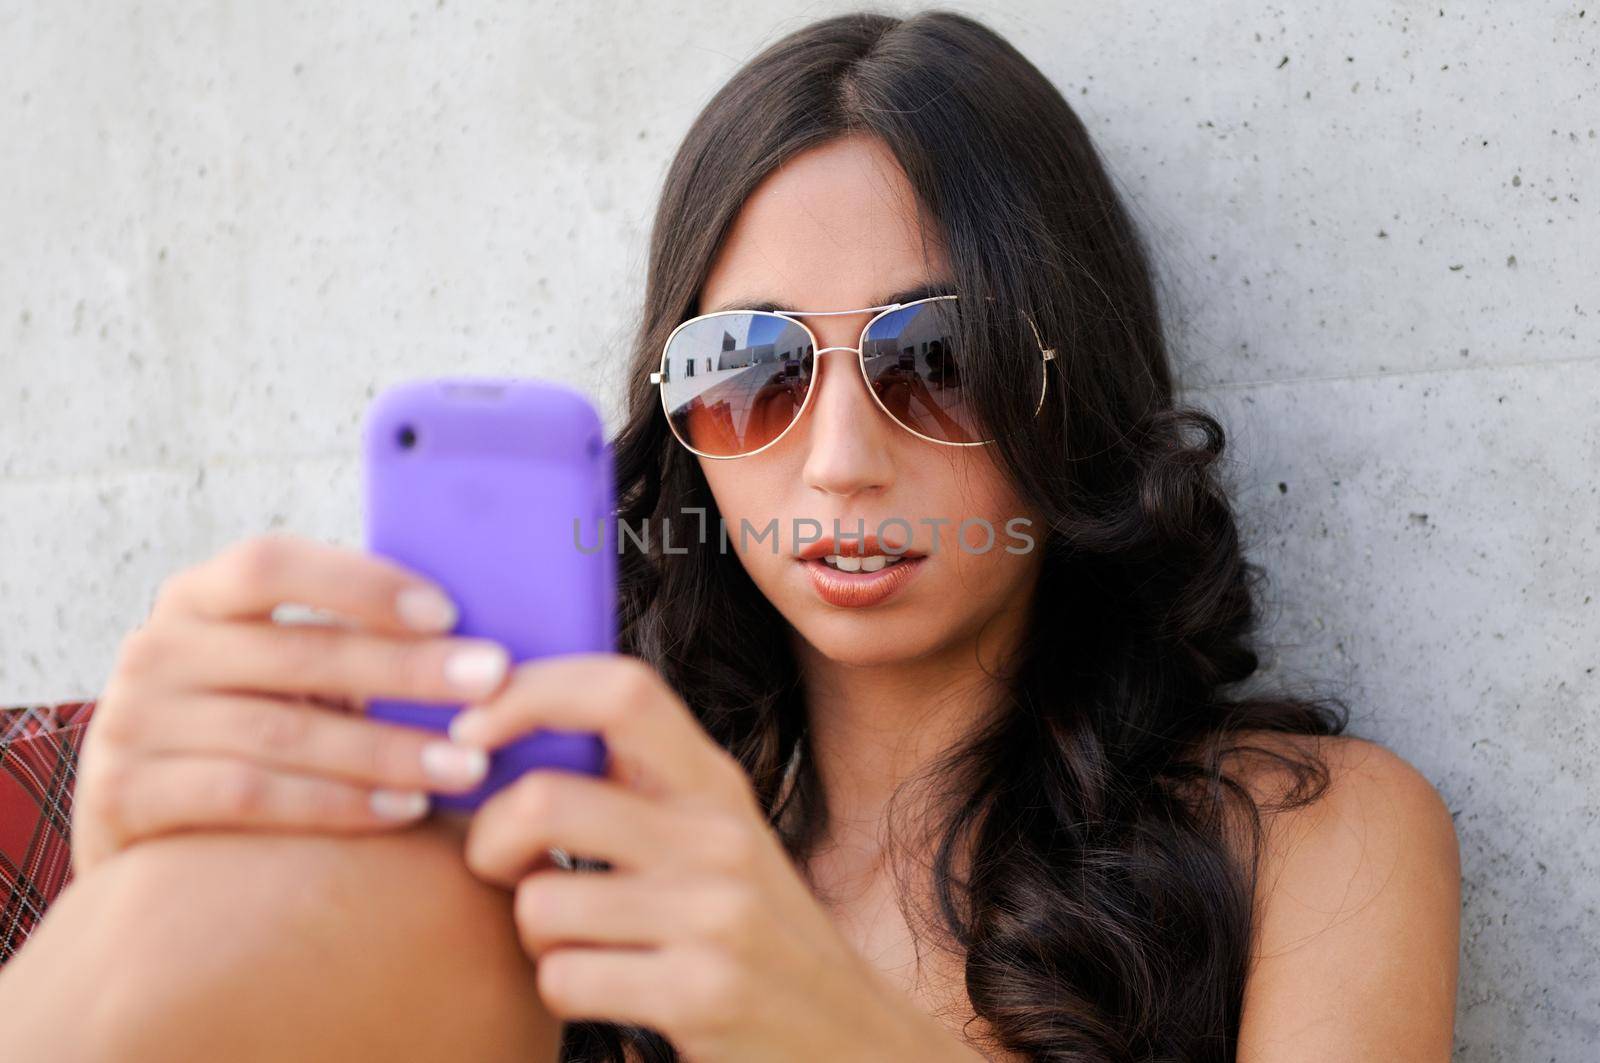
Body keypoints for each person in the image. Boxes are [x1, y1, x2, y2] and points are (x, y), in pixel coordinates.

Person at [0, 10, 1461, 1061]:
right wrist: (132, 908)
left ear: (1065, 380)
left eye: (934, 359)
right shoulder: (552, 856)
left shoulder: (1308, 839)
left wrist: (816, 1029)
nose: (837, 459)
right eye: (750, 368)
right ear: (677, 418)